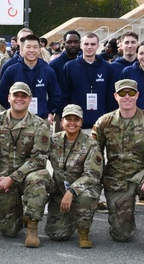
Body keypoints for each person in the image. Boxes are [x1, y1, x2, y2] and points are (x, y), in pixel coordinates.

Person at [92, 79, 144, 254]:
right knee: (121, 235)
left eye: (130, 93)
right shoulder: (104, 122)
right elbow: (93, 153)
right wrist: (95, 178)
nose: (126, 97)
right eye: (122, 93)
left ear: (137, 95)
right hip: (117, 179)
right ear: (115, 96)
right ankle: (126, 217)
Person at [0, 82, 51, 247]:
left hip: (27, 176)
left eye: (23, 96)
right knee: (9, 230)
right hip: (2, 179)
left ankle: (32, 227)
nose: (19, 99)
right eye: (16, 95)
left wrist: (12, 178)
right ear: (9, 98)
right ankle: (19, 215)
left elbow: (38, 159)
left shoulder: (40, 124)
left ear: (29, 99)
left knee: (39, 179)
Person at [32, 104, 103, 248]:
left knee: (85, 198)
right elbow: (37, 160)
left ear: (81, 122)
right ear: (62, 122)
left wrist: (71, 191)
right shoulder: (53, 141)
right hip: (59, 189)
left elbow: (92, 175)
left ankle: (83, 232)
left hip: (83, 188)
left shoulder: (91, 144)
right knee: (57, 235)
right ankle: (67, 218)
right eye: (68, 119)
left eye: (76, 119)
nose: (72, 123)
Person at [0, 34, 62, 121]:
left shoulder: (48, 71)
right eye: (28, 47)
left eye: (35, 47)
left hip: (41, 119)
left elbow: (56, 95)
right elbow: (1, 95)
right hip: (16, 120)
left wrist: (47, 111)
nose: (31, 50)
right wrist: (14, 108)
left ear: (40, 50)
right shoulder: (11, 71)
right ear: (22, 49)